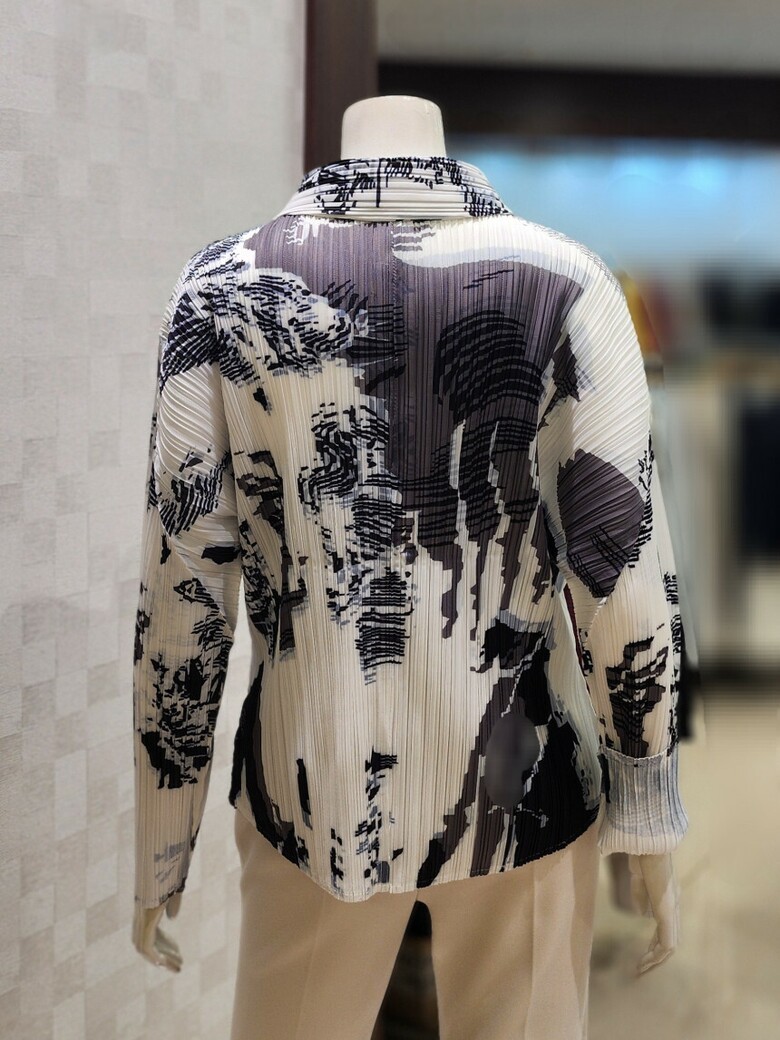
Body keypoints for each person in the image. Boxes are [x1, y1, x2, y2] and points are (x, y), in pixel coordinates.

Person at [132, 96, 688, 1040]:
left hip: (306, 789)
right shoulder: (568, 283)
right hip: (525, 788)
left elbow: (182, 584)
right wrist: (649, 806)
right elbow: (622, 569)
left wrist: (164, 833)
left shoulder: (219, 289)